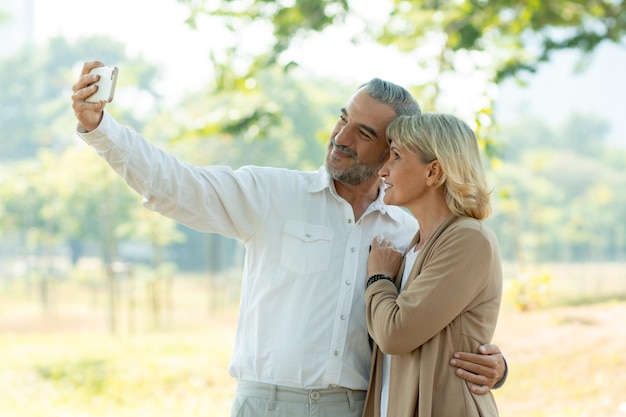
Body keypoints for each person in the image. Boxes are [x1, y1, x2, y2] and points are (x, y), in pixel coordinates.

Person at [71, 61, 507, 417]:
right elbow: (176, 185)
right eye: (343, 119)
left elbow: (440, 319)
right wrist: (101, 129)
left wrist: (494, 364)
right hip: (266, 405)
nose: (341, 138)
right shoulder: (273, 194)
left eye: (365, 133)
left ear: (393, 150)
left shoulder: (409, 229)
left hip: (358, 408)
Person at [363, 113, 503, 416]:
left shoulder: (469, 240)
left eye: (396, 156)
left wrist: (379, 279)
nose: (383, 170)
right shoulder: (414, 245)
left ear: (433, 172)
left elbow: (394, 334)